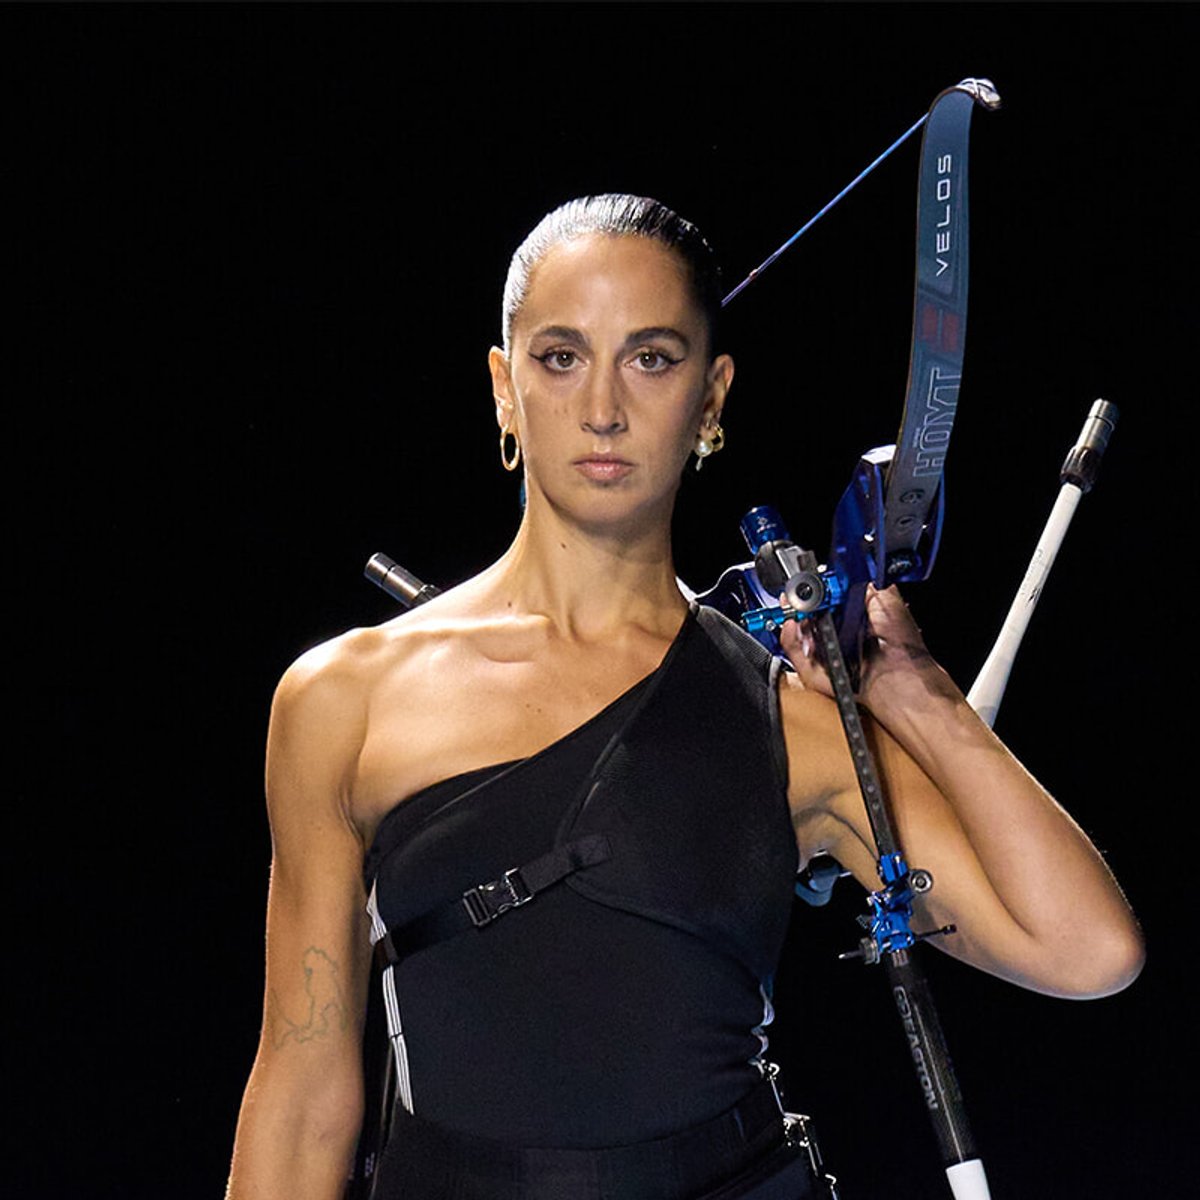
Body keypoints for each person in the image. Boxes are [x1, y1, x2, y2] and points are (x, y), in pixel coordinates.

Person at [225, 195, 1143, 1200]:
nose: (605, 407)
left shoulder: (790, 719)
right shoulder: (344, 698)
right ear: (502, 386)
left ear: (712, 397)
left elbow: (1087, 950)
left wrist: (917, 696)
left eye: (653, 358)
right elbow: (304, 1088)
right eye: (561, 357)